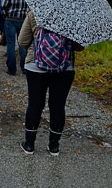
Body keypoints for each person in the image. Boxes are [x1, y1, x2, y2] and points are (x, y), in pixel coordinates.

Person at [18, 8, 79, 156]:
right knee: (58, 106)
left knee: (35, 104)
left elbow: (22, 40)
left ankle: (29, 144)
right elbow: (79, 46)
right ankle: (54, 146)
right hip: (65, 67)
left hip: (36, 65)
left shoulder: (35, 12)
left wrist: (38, 51)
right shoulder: (72, 14)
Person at [0, 0, 30, 75]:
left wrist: (5, 14)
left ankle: (12, 69)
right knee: (22, 43)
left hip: (10, 19)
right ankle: (24, 67)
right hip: (24, 19)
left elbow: (4, 4)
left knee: (11, 44)